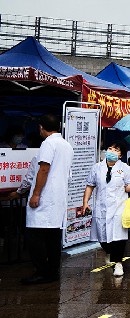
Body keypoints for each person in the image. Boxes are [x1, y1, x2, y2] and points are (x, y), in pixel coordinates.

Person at [23, 115, 73, 285]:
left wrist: (36, 193)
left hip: (46, 195)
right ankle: (52, 271)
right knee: (53, 237)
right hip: (58, 196)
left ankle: (41, 271)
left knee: (34, 235)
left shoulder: (48, 143)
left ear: (41, 127)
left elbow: (44, 169)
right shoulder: (66, 145)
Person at [79, 142, 130, 277]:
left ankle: (118, 263)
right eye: (110, 148)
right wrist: (85, 202)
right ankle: (110, 252)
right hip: (101, 207)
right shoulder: (97, 167)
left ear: (121, 154)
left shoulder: (125, 168)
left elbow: (127, 186)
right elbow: (90, 185)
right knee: (102, 237)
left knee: (119, 236)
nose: (111, 151)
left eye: (116, 149)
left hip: (119, 206)